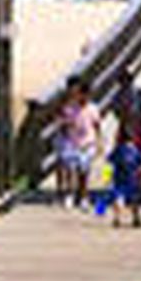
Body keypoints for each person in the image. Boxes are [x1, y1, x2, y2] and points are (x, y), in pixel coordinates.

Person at [56, 79, 100, 208]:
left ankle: (83, 196)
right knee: (70, 169)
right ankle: (70, 194)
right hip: (72, 142)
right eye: (81, 94)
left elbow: (96, 126)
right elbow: (63, 123)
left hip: (87, 143)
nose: (83, 97)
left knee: (83, 171)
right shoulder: (71, 108)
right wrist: (65, 131)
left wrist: (99, 142)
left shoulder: (93, 108)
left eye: (86, 95)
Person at [108, 124, 141, 228]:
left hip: (119, 178)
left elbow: (109, 162)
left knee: (118, 199)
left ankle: (117, 218)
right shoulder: (135, 150)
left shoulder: (118, 149)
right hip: (132, 179)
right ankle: (136, 218)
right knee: (134, 200)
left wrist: (106, 178)